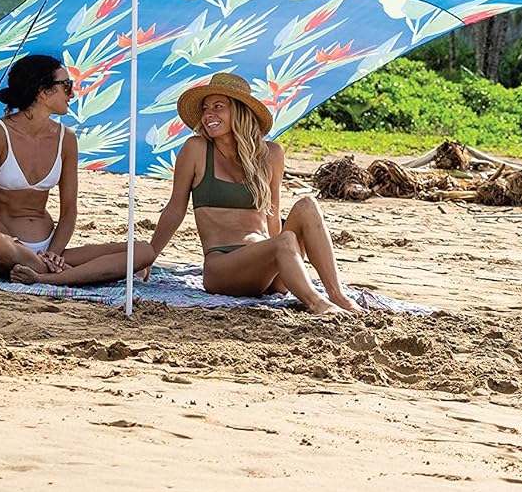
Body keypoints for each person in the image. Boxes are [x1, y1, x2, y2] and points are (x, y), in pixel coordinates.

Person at [145, 72, 361, 315]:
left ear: (239, 111)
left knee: (307, 206)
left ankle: (337, 295)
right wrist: (149, 258)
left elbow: (272, 214)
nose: (208, 115)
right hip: (224, 268)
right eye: (205, 109)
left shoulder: (271, 154)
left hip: (266, 264)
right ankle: (317, 304)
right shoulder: (196, 149)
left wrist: (282, 259)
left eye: (218, 107)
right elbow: (175, 208)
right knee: (285, 241)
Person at [0, 53, 154, 285]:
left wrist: (53, 253)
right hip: (9, 245)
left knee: (144, 252)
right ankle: (66, 275)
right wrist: (15, 243)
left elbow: (69, 212)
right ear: (43, 91)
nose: (72, 94)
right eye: (66, 86)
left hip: (50, 247)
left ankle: (46, 275)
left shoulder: (66, 138)